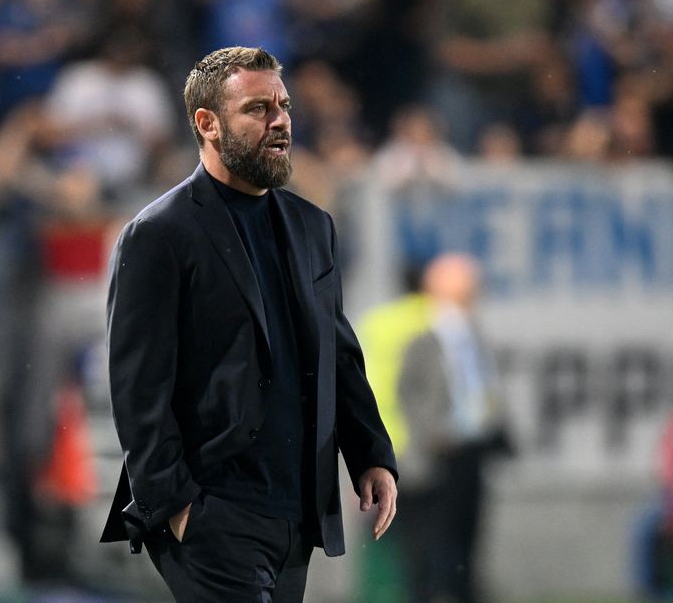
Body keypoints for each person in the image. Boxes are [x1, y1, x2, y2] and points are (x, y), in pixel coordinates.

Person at [99, 46, 398, 602]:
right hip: (214, 511)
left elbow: (337, 355)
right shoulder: (158, 234)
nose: (280, 120)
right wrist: (178, 506)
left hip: (296, 514)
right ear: (207, 124)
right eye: (258, 109)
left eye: (283, 106)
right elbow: (137, 387)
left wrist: (371, 454)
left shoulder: (313, 227)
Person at [395, 253, 512, 603]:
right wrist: (431, 432)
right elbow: (408, 391)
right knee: (431, 550)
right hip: (433, 458)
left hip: (471, 451)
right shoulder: (422, 334)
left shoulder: (474, 334)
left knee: (468, 541)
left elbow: (484, 387)